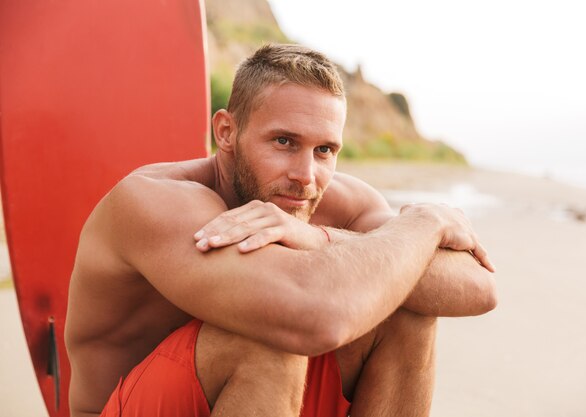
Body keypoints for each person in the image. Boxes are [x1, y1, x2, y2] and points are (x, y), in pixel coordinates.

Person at [65, 44, 497, 417]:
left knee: (407, 311)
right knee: (268, 336)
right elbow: (311, 321)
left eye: (324, 149)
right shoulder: (155, 202)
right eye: (284, 142)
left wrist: (319, 237)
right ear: (226, 132)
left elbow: (480, 287)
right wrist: (426, 222)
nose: (305, 175)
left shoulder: (335, 201)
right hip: (128, 408)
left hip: (258, 398)